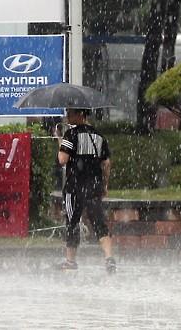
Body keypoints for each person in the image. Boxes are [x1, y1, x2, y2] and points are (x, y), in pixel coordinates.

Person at [57, 108, 116, 273]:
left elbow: (62, 159)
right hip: (94, 187)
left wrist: (60, 141)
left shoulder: (71, 134)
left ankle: (70, 261)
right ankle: (109, 258)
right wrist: (104, 184)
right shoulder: (99, 136)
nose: (68, 116)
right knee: (99, 223)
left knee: (72, 222)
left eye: (71, 113)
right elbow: (106, 163)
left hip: (74, 188)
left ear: (80, 115)